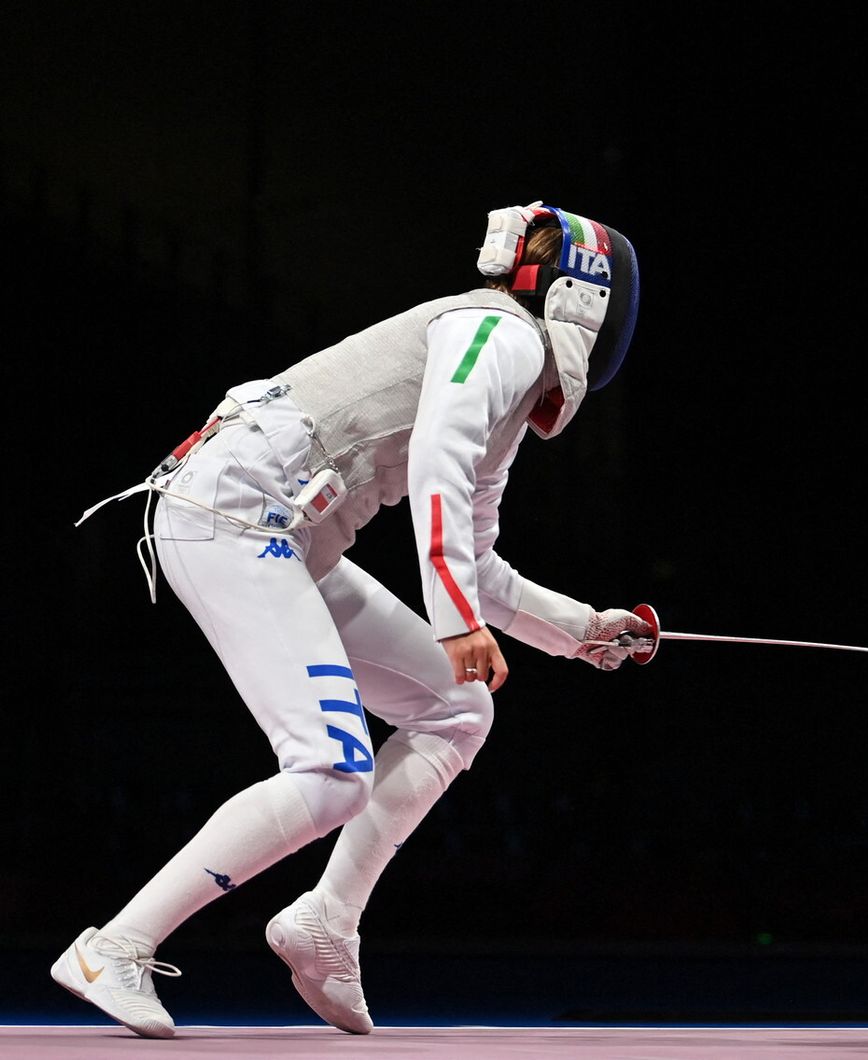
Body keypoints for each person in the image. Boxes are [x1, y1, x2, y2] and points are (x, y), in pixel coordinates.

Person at [55, 201, 654, 1038]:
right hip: (231, 518)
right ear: (588, 302)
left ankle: (325, 922)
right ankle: (114, 947)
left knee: (457, 708)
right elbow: (438, 467)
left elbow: (476, 560)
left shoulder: (507, 387)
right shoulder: (498, 335)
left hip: (282, 539)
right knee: (333, 768)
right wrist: (454, 623)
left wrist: (581, 629)